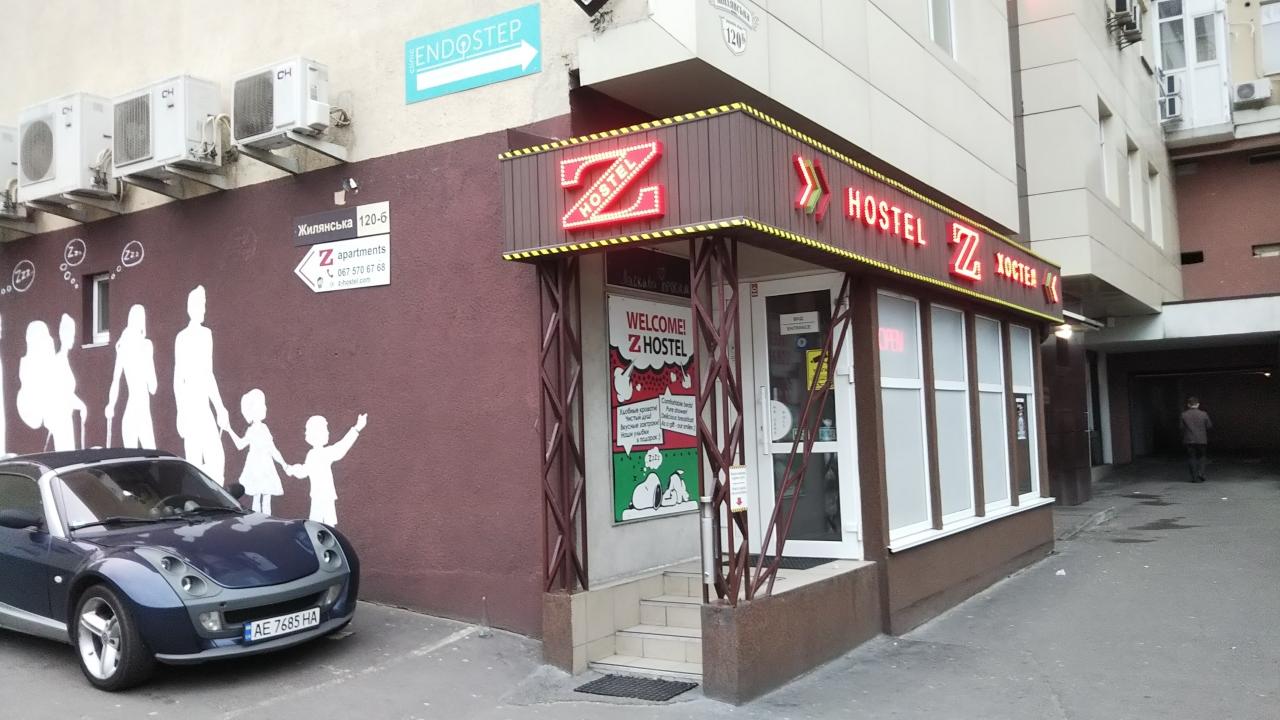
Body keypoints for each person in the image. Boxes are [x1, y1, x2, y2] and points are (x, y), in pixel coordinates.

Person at [225, 389, 289, 515]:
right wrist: (229, 430)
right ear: (252, 411)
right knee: (257, 498)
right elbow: (240, 445)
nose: (265, 408)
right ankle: (258, 521)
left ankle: (267, 521)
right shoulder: (252, 430)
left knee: (266, 499)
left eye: (264, 404)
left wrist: (283, 464)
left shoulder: (264, 428)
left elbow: (272, 449)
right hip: (256, 468)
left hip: (266, 466)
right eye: (261, 405)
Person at [1180, 396, 1212, 483]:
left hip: (1189, 440)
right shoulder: (1204, 414)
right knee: (1202, 456)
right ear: (1198, 404)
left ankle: (1194, 477)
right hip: (1202, 439)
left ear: (1188, 405)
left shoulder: (1184, 414)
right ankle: (1201, 473)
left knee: (1191, 458)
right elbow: (1209, 426)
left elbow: (1181, 427)